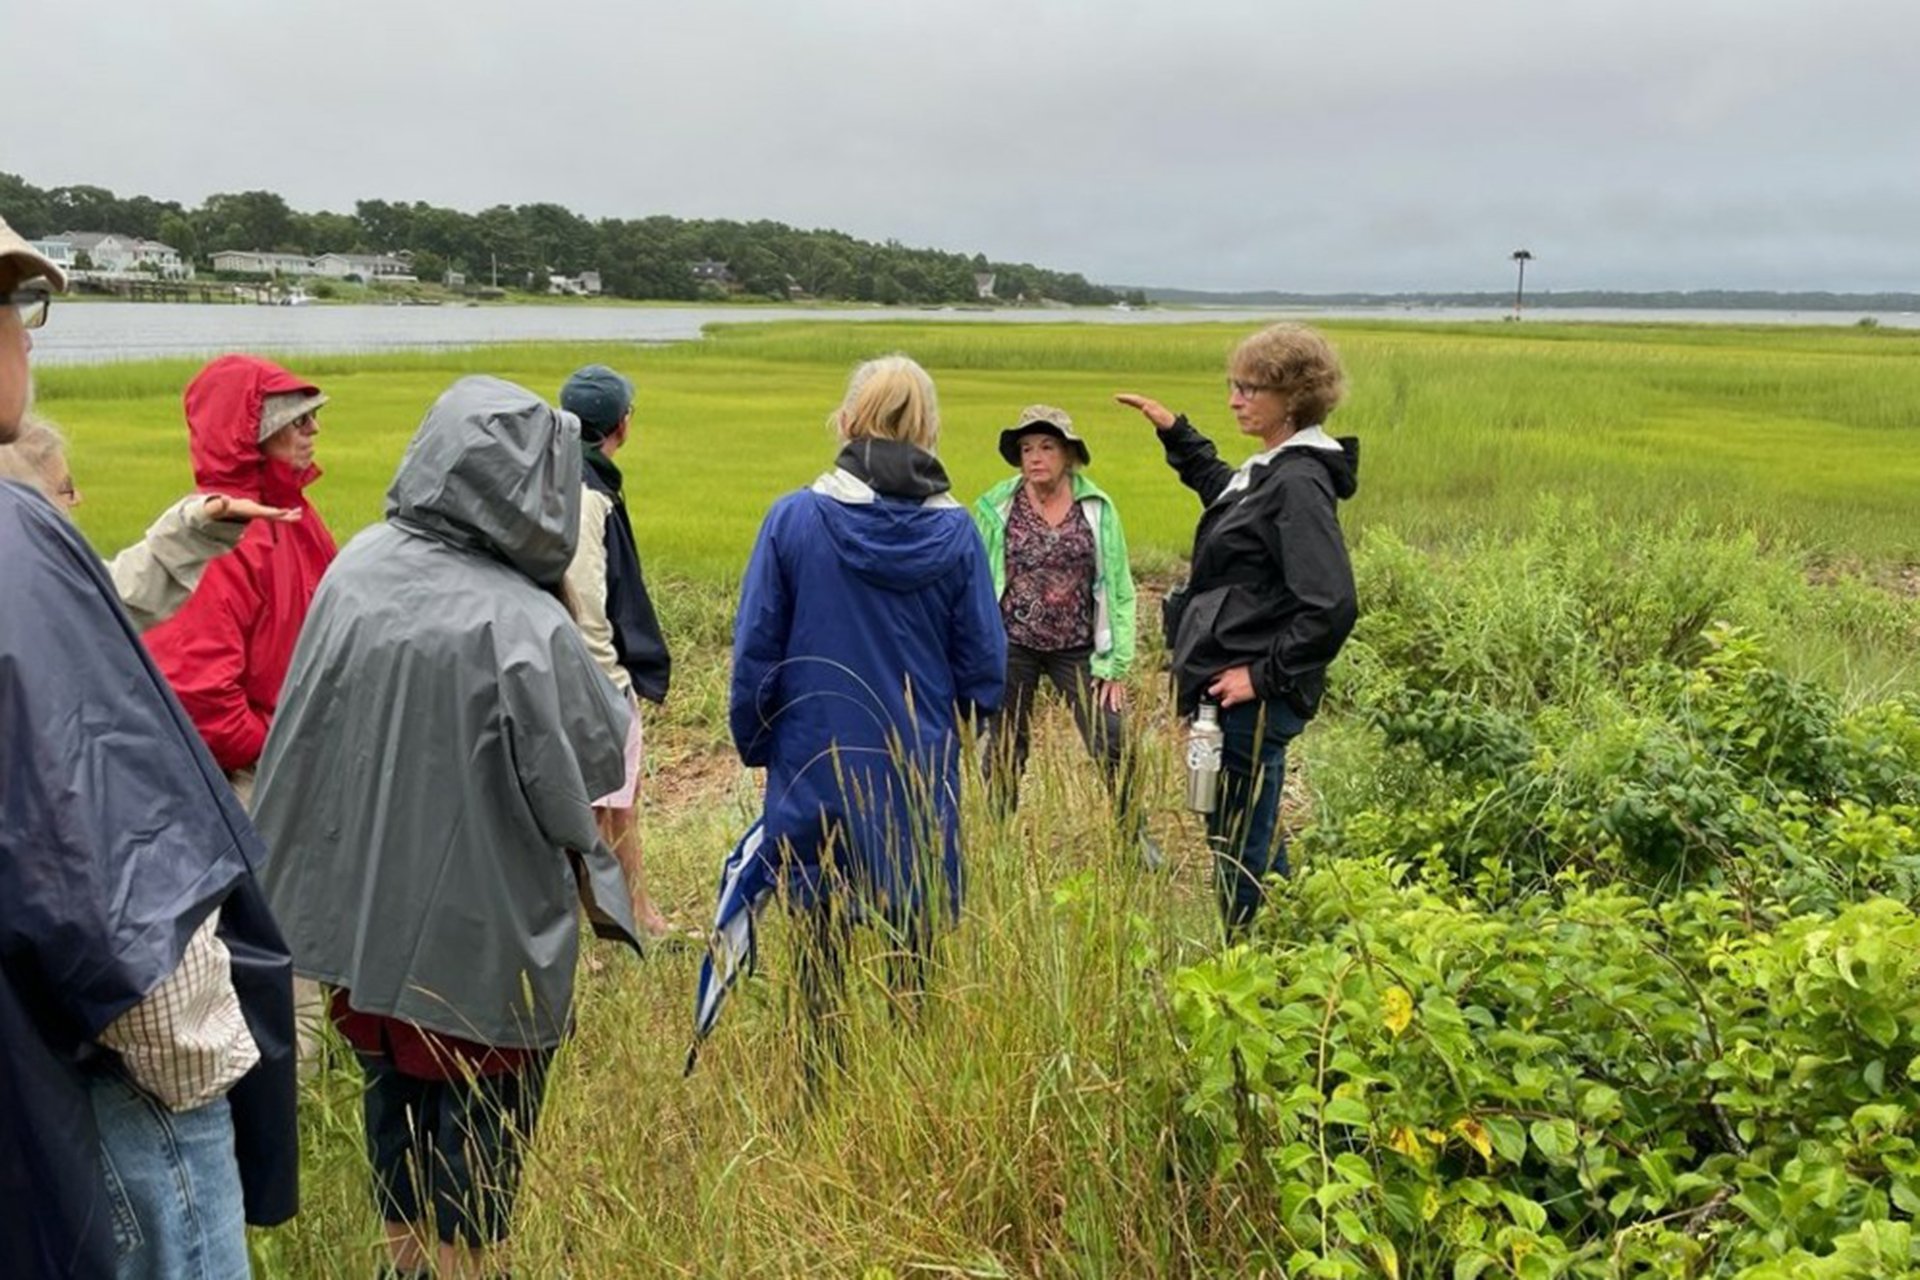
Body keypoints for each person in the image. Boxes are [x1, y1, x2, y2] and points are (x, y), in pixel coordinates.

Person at [252, 376, 637, 1280]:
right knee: (481, 1146)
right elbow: (589, 770)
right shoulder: (526, 624)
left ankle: (402, 1266)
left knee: (394, 1111)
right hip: (483, 945)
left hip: (362, 931)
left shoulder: (356, 567)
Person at [1, 217, 298, 1279]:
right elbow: (103, 862)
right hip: (102, 1073)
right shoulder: (16, 541)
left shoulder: (287, 524)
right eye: (17, 305)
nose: (26, 339)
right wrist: (209, 1058)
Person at [728, 354, 1005, 1075]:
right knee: (913, 941)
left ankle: (822, 1086)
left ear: (847, 422)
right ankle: (915, 1085)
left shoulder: (793, 520)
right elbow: (984, 670)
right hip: (915, 771)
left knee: (818, 944)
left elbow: (757, 654)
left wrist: (764, 747)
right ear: (929, 430)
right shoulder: (958, 536)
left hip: (815, 764)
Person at [1115, 323, 1359, 934]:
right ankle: (1283, 942)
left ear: (1294, 398)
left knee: (1239, 843)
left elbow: (1331, 605)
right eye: (1233, 385)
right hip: (1229, 691)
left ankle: (1257, 963)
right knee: (1237, 828)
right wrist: (1177, 434)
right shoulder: (1276, 470)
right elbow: (1230, 495)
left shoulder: (1300, 482)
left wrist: (1261, 675)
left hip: (1248, 694)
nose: (1235, 399)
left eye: (1250, 388)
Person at [972, 405, 1160, 864]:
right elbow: (973, 579)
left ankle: (1134, 835)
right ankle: (997, 839)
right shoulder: (995, 505)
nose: (1035, 457)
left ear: (1069, 454)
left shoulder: (1095, 508)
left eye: (1047, 447)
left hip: (1076, 648)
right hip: (1012, 643)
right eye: (1027, 449)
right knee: (1004, 745)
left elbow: (1117, 586)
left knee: (1111, 737)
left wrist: (1115, 663)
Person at [143, 354, 338, 797]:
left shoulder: (294, 513)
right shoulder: (219, 537)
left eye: (313, 415)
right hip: (249, 776)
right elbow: (197, 689)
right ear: (253, 432)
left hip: (299, 752)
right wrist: (270, 746)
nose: (313, 429)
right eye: (298, 419)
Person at [559, 364, 674, 938]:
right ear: (620, 424)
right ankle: (626, 913)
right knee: (609, 802)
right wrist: (611, 683)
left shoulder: (558, 475)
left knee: (609, 799)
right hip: (589, 679)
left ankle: (621, 910)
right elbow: (585, 601)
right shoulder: (585, 494)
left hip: (566, 673)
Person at [0, 414, 300, 630]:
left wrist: (199, 522)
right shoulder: (27, 595)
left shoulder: (43, 575)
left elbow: (115, 593)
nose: (77, 498)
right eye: (65, 487)